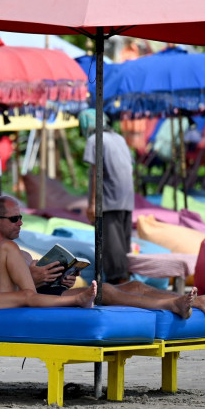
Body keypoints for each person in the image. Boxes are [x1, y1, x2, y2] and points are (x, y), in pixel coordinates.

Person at [0, 196, 205, 319]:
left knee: (135, 285)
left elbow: (33, 279)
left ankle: (200, 302)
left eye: (21, 217)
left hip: (52, 292)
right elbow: (0, 294)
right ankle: (176, 304)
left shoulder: (20, 251)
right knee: (106, 290)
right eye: (14, 218)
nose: (21, 223)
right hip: (35, 303)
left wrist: (61, 275)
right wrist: (35, 279)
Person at [79, 108, 134, 285]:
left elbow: (97, 172)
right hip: (126, 201)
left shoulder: (95, 140)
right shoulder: (119, 139)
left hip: (108, 201)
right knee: (122, 250)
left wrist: (94, 203)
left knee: (113, 255)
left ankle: (120, 290)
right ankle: (125, 284)